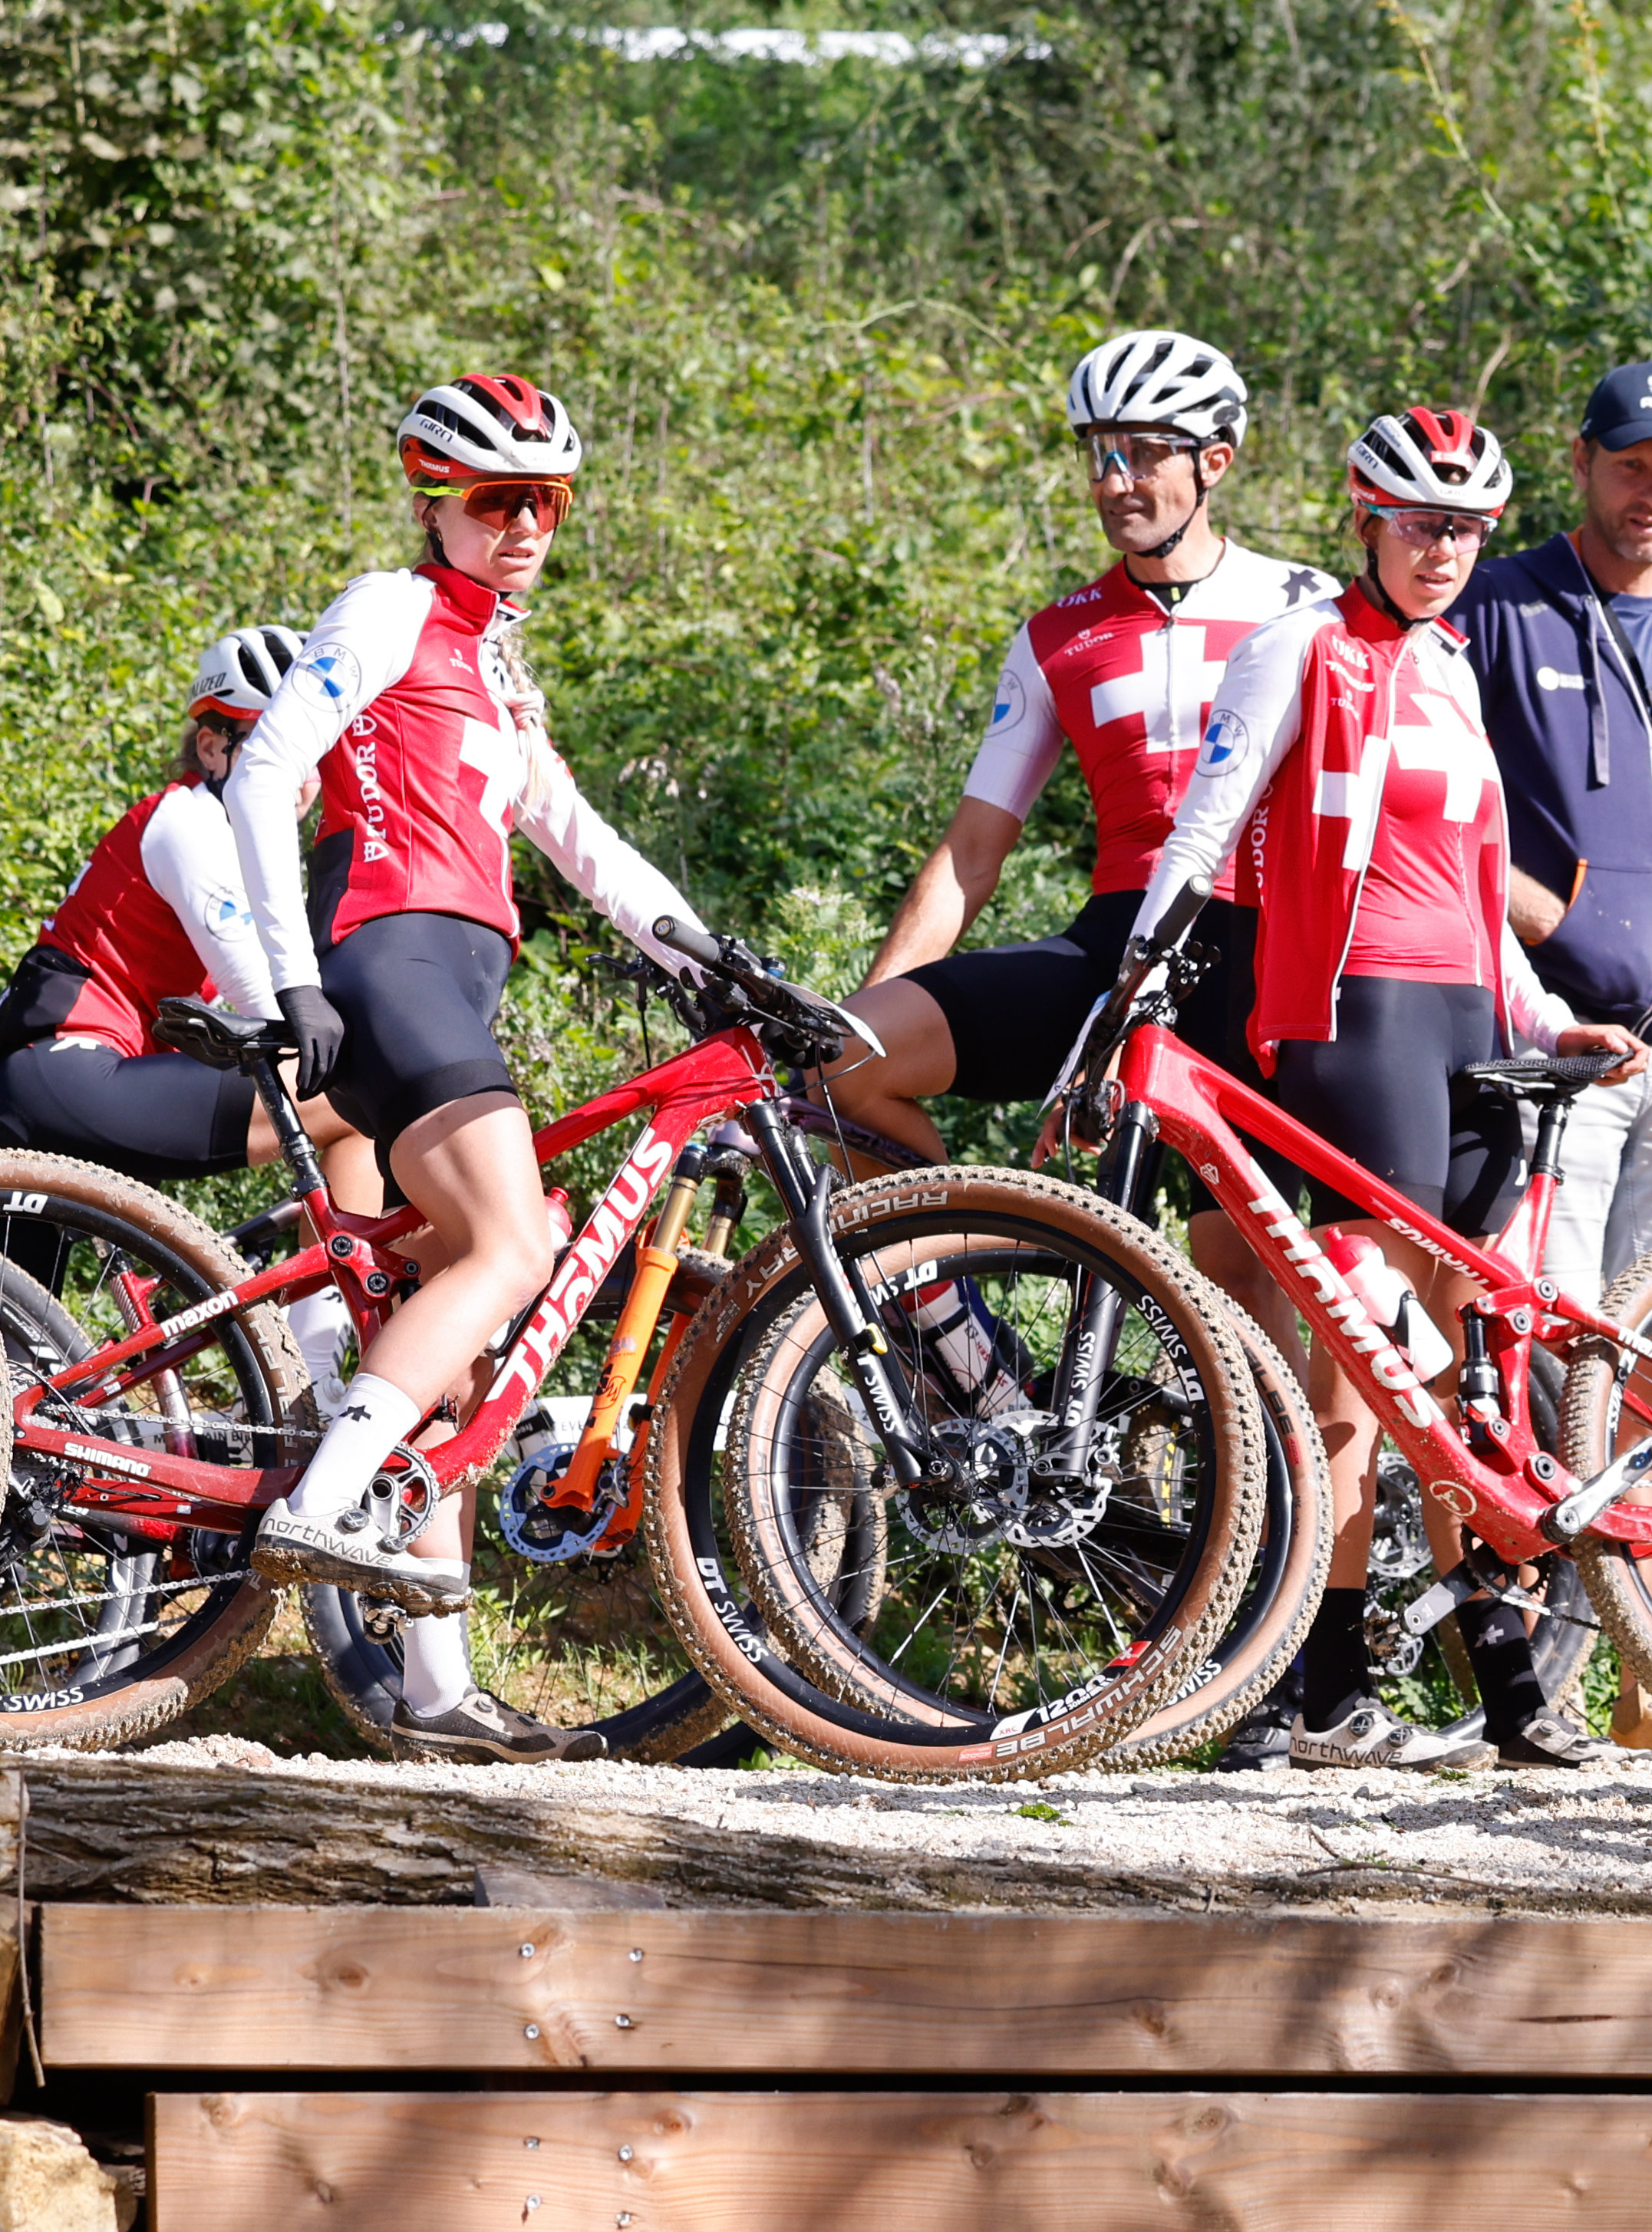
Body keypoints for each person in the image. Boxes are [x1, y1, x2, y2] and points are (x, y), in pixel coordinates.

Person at [1142, 406, 1652, 1773]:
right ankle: (1314, 1677)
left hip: (1471, 1024)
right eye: (1423, 523)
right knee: (1361, 1371)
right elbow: (1215, 810)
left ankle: (1502, 1687)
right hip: (1350, 1019)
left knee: (1473, 1369)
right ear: (1366, 514)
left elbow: (1484, 894)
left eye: (1470, 530)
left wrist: (1553, 1018)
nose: (1445, 551)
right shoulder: (1301, 644)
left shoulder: (1449, 668)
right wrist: (1142, 964)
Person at [224, 371, 722, 1764]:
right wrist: (289, 982)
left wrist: (717, 958)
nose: (525, 527)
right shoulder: (389, 610)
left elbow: (576, 837)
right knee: (523, 1238)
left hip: (454, 969)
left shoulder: (500, 662)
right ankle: (323, 1508)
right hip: (385, 953)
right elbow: (264, 780)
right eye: (498, 500)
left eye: (547, 502)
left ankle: (438, 1692)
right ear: (435, 498)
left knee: (462, 1323)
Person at [829, 328, 1335, 1316]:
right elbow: (974, 849)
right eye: (1099, 453)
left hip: (1267, 956)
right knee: (851, 1061)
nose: (1115, 481)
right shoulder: (1060, 634)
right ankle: (964, 1365)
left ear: (1214, 461)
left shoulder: (1307, 605)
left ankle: (1287, 1469)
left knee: (1243, 1285)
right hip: (1117, 946)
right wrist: (863, 1001)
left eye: (1145, 452)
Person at [1449, 360, 1652, 1749]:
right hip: (1559, 1040)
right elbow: (1453, 800)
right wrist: (1559, 921)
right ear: (1579, 464)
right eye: (1633, 465)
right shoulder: (1497, 605)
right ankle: (1526, 1691)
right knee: (1544, 1344)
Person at [0, 625, 381, 1386]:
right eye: (274, 745)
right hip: (62, 1072)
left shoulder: (233, 841)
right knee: (357, 1092)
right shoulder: (188, 823)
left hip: (62, 1085)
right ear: (212, 748)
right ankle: (322, 1375)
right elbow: (266, 1001)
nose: (299, 776)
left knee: (32, 1384)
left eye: (312, 751)